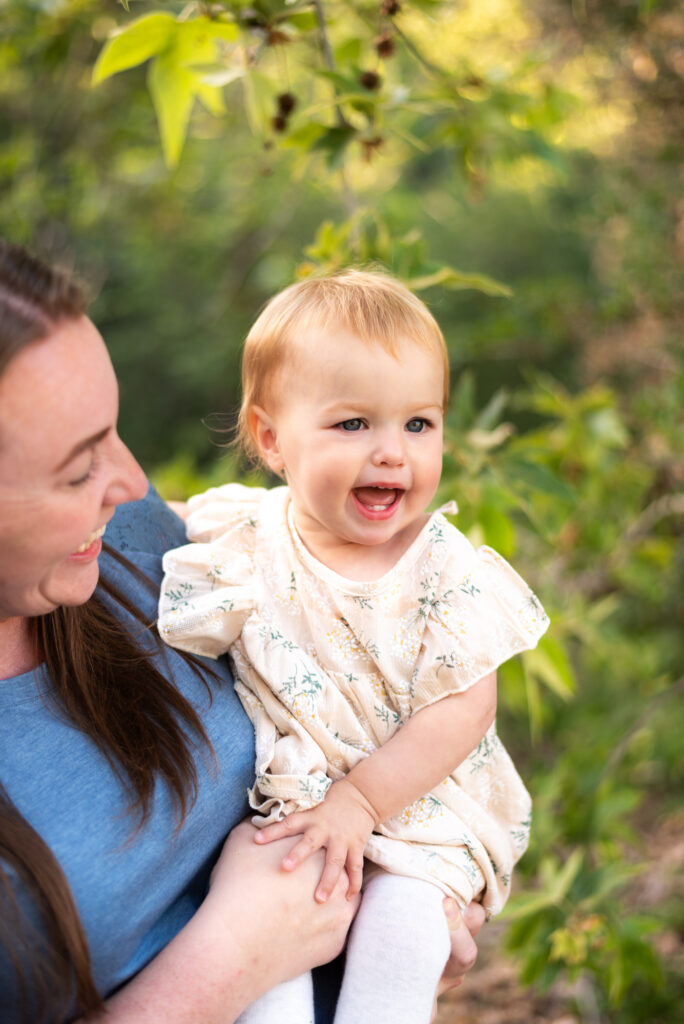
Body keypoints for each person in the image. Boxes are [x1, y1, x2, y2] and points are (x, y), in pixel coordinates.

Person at [0, 242, 482, 1024]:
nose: (131, 484)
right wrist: (233, 962)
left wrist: (410, 885)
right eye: (76, 468)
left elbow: (413, 691)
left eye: (115, 435)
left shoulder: (129, 541)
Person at [158, 270, 550, 1024]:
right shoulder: (249, 532)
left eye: (418, 424)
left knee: (399, 940)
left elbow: (465, 709)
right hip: (296, 811)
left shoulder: (441, 567)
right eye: (352, 425)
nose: (391, 454)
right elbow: (145, 511)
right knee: (260, 973)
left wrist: (361, 804)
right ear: (271, 438)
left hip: (419, 809)